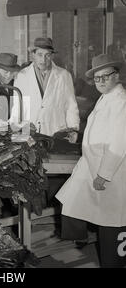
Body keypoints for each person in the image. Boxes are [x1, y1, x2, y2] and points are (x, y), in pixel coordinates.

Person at [56, 54, 126, 268]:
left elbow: (119, 142)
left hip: (112, 174)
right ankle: (85, 241)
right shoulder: (106, 98)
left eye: (107, 76)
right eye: (97, 78)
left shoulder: (121, 102)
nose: (101, 81)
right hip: (97, 168)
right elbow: (101, 130)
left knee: (114, 226)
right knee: (76, 204)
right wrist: (79, 136)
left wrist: (104, 175)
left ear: (117, 76)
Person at [11, 37, 80, 140]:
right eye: (39, 54)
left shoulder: (64, 75)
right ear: (33, 55)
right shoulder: (22, 75)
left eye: (47, 55)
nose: (43, 60)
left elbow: (71, 106)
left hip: (56, 131)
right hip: (30, 131)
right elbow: (17, 106)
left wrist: (73, 129)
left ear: (52, 56)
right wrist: (18, 127)